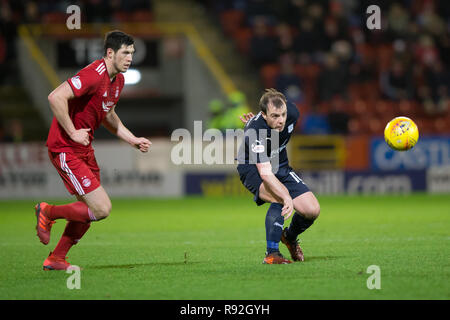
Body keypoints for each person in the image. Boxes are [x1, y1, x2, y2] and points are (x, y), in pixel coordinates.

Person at [35, 30, 151, 270]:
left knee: (87, 212)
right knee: (100, 208)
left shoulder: (117, 80)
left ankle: (56, 258)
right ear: (110, 53)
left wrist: (132, 139)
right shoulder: (93, 74)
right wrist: (72, 131)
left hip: (84, 149)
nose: (130, 57)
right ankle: (48, 211)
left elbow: (108, 114)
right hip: (66, 147)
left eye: (132, 53)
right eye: (125, 52)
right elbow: (55, 97)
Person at [237, 88, 320, 264]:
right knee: (279, 198)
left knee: (312, 210)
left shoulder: (293, 114)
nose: (281, 120)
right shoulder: (254, 132)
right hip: (252, 169)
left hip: (280, 165)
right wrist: (286, 197)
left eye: (282, 114)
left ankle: (289, 237)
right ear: (264, 115)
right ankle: (271, 254)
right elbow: (265, 174)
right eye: (274, 116)